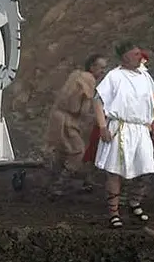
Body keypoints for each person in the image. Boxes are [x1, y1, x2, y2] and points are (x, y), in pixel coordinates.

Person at [93, 42, 154, 228]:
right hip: (120, 127)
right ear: (125, 57)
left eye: (140, 53)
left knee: (146, 169)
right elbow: (97, 101)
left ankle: (134, 203)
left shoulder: (145, 76)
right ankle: (114, 212)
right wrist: (102, 127)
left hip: (141, 129)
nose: (141, 56)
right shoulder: (114, 76)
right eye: (136, 54)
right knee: (115, 172)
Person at [45, 53, 108, 197]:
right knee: (77, 151)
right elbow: (80, 108)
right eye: (101, 68)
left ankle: (54, 181)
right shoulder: (87, 80)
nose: (103, 71)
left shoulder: (76, 75)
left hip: (58, 117)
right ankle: (58, 184)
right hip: (67, 120)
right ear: (92, 67)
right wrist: (97, 116)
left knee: (63, 152)